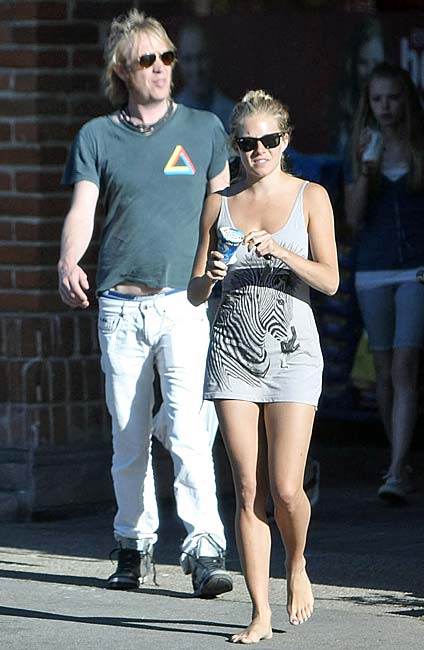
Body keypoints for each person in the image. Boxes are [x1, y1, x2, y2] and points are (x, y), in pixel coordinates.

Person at [57, 8, 234, 598]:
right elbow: (83, 210)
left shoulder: (205, 129)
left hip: (184, 303)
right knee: (128, 435)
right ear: (122, 71)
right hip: (120, 306)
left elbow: (222, 212)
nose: (161, 68)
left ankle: (204, 549)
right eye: (147, 60)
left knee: (188, 429)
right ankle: (133, 545)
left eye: (167, 57)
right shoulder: (96, 136)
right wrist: (68, 261)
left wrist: (224, 266)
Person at [188, 90, 339, 642]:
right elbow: (193, 291)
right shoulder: (219, 203)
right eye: (247, 143)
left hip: (293, 356)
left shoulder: (311, 197)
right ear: (236, 146)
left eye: (269, 141)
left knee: (286, 488)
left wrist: (280, 250)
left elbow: (330, 280)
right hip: (231, 355)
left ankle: (296, 562)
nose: (259, 151)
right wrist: (209, 277)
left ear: (285, 140)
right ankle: (259, 612)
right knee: (248, 488)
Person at [345, 62, 424, 504]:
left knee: (404, 364)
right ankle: (400, 461)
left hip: (415, 267)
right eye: (377, 99)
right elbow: (353, 218)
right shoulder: (362, 146)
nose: (386, 107)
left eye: (393, 97)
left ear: (406, 99)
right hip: (373, 268)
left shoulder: (418, 144)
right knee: (383, 370)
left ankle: (395, 469)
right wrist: (366, 171)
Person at [175, 19, 234, 133]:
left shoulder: (232, 117)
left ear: (212, 57)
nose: (196, 69)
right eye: (188, 59)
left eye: (201, 57)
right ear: (179, 62)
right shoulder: (167, 117)